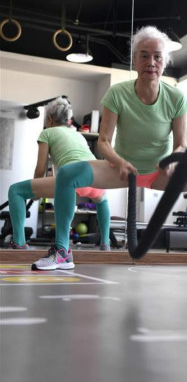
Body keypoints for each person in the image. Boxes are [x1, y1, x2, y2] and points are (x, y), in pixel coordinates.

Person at [32, 26, 187, 275]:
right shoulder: (117, 93)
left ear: (165, 61)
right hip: (120, 170)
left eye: (157, 56)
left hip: (162, 172)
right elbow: (104, 141)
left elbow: (182, 143)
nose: (151, 62)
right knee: (67, 174)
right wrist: (118, 162)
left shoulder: (176, 98)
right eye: (144, 55)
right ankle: (62, 251)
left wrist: (171, 162)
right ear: (135, 60)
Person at [8, 97, 111, 267]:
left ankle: (19, 243)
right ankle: (105, 244)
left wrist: (35, 193)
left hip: (71, 180)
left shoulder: (47, 132)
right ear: (68, 119)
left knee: (16, 191)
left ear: (49, 119)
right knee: (103, 199)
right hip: (95, 178)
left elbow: (40, 169)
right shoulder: (78, 135)